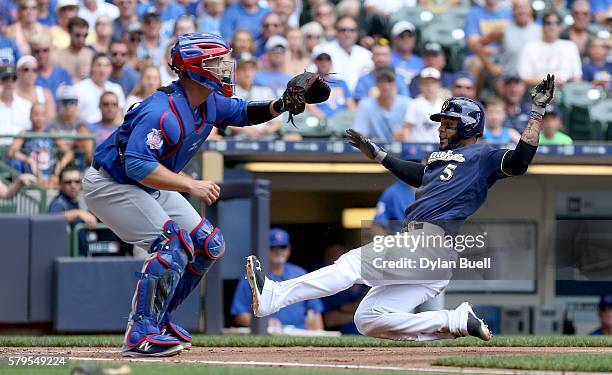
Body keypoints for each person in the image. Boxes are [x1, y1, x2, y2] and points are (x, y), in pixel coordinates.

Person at [246, 74, 555, 343]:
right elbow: (419, 175)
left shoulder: (484, 157)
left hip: (428, 244)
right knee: (368, 318)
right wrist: (380, 156)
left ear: (469, 127)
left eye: (449, 124)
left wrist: (537, 113)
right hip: (432, 257)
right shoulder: (438, 158)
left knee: (351, 264)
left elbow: (518, 161)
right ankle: (453, 321)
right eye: (442, 124)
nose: (441, 129)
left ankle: (275, 296)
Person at [82, 32, 321, 357]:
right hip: (111, 183)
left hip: (146, 183)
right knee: (172, 245)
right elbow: (137, 164)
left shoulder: (207, 100)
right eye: (216, 62)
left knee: (209, 245)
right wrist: (191, 186)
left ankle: (160, 319)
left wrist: (279, 105)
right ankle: (140, 333)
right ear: (196, 68)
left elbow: (242, 113)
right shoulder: (161, 110)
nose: (225, 67)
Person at [231, 228, 325, 330]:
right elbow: (240, 315)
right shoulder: (252, 276)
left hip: (299, 334)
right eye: (273, 247)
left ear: (289, 249)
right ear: (264, 249)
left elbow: (315, 312)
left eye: (282, 247)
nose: (278, 251)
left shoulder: (300, 273)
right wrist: (265, 323)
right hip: (267, 334)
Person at [8, 103, 74, 188]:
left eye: (42, 114)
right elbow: (11, 151)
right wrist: (29, 160)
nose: (39, 118)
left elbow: (69, 153)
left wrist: (60, 166)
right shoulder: (25, 133)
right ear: (30, 116)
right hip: (32, 176)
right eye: (36, 114)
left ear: (46, 117)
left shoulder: (52, 133)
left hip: (51, 177)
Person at [518, 11, 582, 86]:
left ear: (560, 27)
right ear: (542, 27)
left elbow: (577, 76)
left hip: (565, 91)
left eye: (556, 23)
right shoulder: (530, 47)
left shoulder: (570, 46)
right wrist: (549, 83)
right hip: (537, 92)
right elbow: (524, 77)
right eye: (548, 23)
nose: (552, 26)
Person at [229, 53, 281, 140]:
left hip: (266, 137)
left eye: (251, 69)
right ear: (236, 71)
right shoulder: (230, 93)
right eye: (243, 69)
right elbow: (225, 121)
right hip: (239, 137)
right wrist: (246, 130)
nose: (247, 73)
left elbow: (277, 121)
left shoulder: (265, 91)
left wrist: (266, 130)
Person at [48, 165, 98, 255]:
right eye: (68, 182)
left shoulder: (75, 201)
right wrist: (78, 213)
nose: (73, 185)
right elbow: (52, 220)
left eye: (77, 181)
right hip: (67, 259)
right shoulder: (59, 203)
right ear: (60, 184)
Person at [352, 67, 410, 142]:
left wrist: (405, 134)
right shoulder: (366, 105)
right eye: (382, 82)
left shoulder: (407, 104)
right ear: (376, 85)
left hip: (402, 151)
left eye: (389, 81)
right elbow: (358, 136)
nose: (385, 86)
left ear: (395, 84)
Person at [322, 16, 373, 92]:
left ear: (357, 32)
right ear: (336, 31)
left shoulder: (367, 54)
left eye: (352, 30)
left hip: (361, 97)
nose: (347, 33)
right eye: (343, 30)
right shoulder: (323, 51)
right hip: (333, 98)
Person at [73, 52, 125, 124]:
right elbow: (74, 115)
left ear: (111, 69)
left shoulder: (116, 89)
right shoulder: (79, 88)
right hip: (87, 132)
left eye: (106, 66)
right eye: (99, 65)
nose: (102, 70)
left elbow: (120, 116)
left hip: (110, 132)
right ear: (92, 67)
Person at [401, 68, 447, 143]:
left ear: (439, 85)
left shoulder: (445, 104)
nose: (429, 86)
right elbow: (407, 130)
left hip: (440, 148)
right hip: (421, 148)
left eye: (433, 83)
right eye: (426, 83)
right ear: (420, 85)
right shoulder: (414, 104)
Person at [306, 50, 354, 121]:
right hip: (323, 122)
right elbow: (309, 106)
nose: (323, 62)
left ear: (331, 63)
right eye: (320, 60)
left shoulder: (341, 83)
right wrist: (326, 120)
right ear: (315, 63)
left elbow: (350, 104)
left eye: (327, 60)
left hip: (343, 121)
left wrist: (352, 118)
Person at [29, 33, 73, 102]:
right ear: (31, 53)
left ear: (51, 51)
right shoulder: (29, 77)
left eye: (45, 50)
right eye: (37, 51)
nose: (41, 55)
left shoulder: (63, 74)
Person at [80, 91, 121, 162]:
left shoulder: (123, 130)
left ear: (118, 108)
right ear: (99, 106)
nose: (110, 108)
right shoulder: (88, 127)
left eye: (114, 105)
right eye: (106, 104)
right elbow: (90, 155)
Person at [51, 17, 95, 83]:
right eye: (77, 35)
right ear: (69, 32)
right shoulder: (57, 56)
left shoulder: (92, 56)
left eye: (85, 35)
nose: (81, 39)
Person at [15, 55, 56, 119]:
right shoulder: (9, 93)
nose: (30, 73)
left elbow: (51, 121)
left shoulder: (45, 94)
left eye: (34, 70)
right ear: (18, 71)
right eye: (26, 69)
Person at [0, 64, 32, 146]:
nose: (9, 83)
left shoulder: (26, 105)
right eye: (5, 79)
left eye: (13, 79)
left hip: (20, 152)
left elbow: (30, 130)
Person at [390, 21, 422, 89]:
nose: (406, 39)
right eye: (401, 36)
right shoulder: (386, 58)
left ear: (414, 39)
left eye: (409, 36)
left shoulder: (421, 62)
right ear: (393, 38)